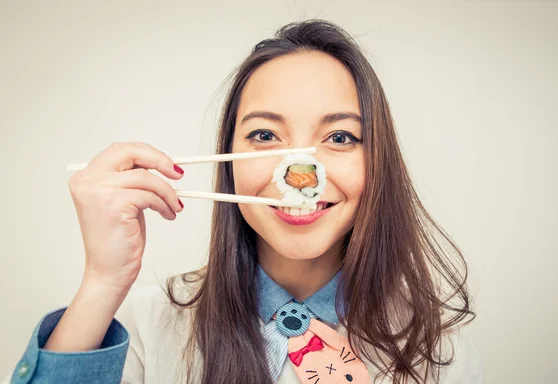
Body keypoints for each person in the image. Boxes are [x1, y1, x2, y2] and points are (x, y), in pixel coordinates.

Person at [4, 20, 482, 384]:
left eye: (339, 136)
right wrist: (104, 279)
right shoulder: (144, 324)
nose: (302, 176)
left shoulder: (434, 342)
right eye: (263, 135)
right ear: (227, 158)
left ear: (377, 159)